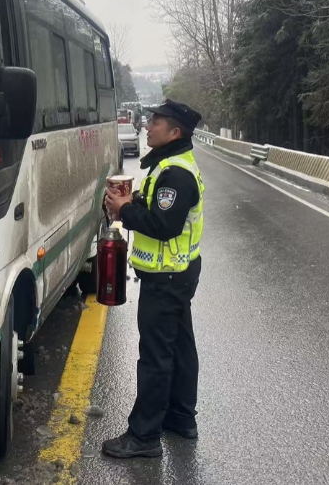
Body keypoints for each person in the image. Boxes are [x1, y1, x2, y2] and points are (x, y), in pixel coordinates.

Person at [102, 99, 205, 459]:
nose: (147, 126)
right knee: (180, 347)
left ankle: (144, 436)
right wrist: (133, 200)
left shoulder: (175, 174)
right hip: (178, 272)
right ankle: (181, 418)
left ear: (175, 131)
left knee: (156, 355)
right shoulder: (169, 164)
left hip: (167, 277)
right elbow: (161, 212)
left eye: (155, 122)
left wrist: (124, 210)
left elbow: (164, 226)